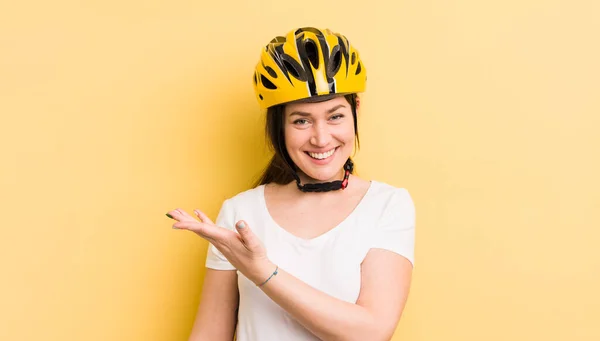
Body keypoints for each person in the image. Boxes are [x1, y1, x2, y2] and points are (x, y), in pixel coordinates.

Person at [166, 27, 415, 341]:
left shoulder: (388, 205)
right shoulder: (240, 211)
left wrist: (261, 271)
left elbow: (371, 332)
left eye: (335, 116)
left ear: (355, 111)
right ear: (278, 127)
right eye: (301, 120)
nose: (321, 138)